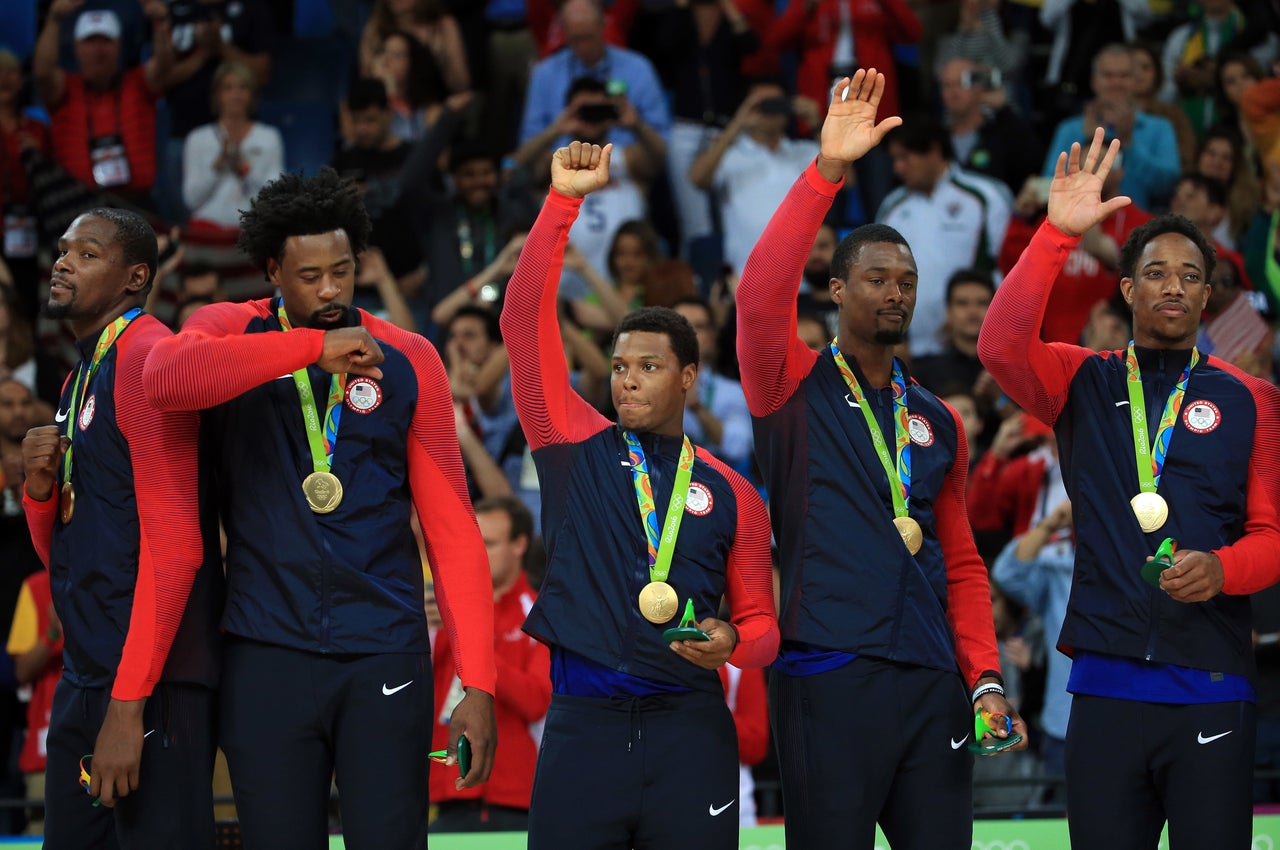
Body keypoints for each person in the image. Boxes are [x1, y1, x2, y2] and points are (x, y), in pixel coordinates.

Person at [141, 168, 498, 848]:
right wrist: (311, 349)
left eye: (342, 270)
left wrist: (476, 682)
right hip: (266, 652)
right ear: (272, 269)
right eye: (309, 276)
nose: (330, 289)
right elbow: (165, 379)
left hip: (384, 652)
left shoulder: (410, 356)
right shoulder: (227, 331)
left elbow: (453, 532)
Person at [734, 69, 1023, 850]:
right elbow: (759, 297)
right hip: (829, 670)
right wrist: (826, 172)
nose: (896, 293)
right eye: (876, 280)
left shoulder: (933, 419)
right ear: (835, 289)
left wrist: (985, 677)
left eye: (907, 281)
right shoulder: (786, 384)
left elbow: (961, 562)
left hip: (931, 681)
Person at [978, 128, 1280, 849]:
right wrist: (1056, 233)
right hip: (1107, 687)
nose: (1172, 284)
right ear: (1127, 287)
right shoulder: (1083, 378)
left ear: (1207, 295)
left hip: (1211, 681)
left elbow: (1271, 541)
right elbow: (998, 345)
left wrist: (1223, 570)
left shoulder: (1252, 398)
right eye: (1155, 272)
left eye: (1188, 274)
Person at [500, 140, 779, 849]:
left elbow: (764, 627)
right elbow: (522, 325)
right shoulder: (571, 446)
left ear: (688, 377)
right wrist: (562, 203)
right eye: (620, 365)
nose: (625, 379)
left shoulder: (735, 492)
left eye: (648, 366)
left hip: (688, 729)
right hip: (582, 729)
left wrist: (734, 641)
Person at [21, 207, 221, 847]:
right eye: (61, 250)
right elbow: (58, 551)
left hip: (150, 684)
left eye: (85, 253)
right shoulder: (79, 378)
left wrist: (127, 706)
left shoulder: (147, 356)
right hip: (88, 673)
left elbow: (178, 550)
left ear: (136, 277)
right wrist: (37, 491)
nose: (61, 262)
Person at [429, 496, 550, 832]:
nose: (477, 554)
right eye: (472, 544)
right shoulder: (440, 612)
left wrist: (472, 648)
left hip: (513, 799)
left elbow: (537, 701)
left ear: (519, 545)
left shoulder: (538, 614)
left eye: (490, 544)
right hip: (446, 791)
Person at [878, 116, 1011, 357]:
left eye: (904, 158)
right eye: (894, 160)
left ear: (934, 151)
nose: (898, 168)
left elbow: (1008, 268)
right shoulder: (892, 207)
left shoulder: (985, 197)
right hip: (909, 347)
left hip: (971, 343)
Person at [33, 3, 175, 207]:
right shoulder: (64, 89)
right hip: (77, 205)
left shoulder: (138, 83)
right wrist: (54, 21)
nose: (98, 50)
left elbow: (164, 65)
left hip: (136, 204)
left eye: (106, 41)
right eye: (90, 42)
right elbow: (42, 73)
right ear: (76, 48)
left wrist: (160, 23)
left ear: (118, 46)